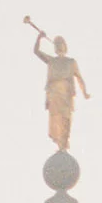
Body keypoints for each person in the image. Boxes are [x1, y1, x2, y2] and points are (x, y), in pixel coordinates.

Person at [27, 21, 90, 149]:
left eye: (61, 43)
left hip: (66, 93)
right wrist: (39, 38)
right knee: (56, 119)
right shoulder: (51, 61)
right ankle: (59, 143)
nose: (59, 46)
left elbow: (79, 78)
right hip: (54, 93)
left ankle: (64, 142)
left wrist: (84, 92)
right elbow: (36, 51)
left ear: (64, 47)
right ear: (55, 47)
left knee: (66, 118)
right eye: (57, 43)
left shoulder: (71, 62)